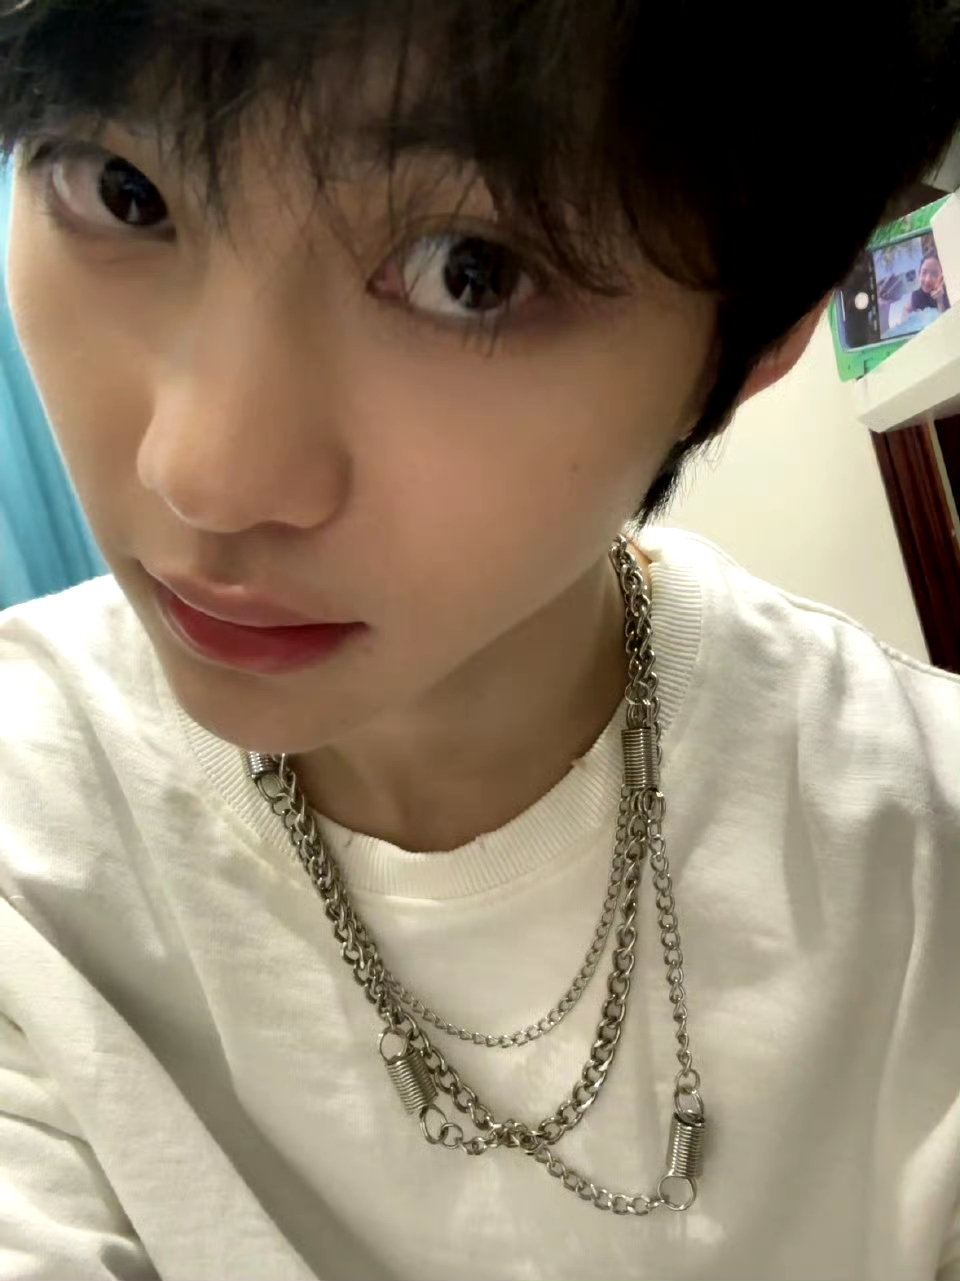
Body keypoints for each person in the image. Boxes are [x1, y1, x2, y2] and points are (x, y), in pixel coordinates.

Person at [0, 2, 958, 1279]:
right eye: (123, 190)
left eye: (471, 271)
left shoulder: (922, 869)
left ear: (756, 341)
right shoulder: (27, 843)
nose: (204, 474)